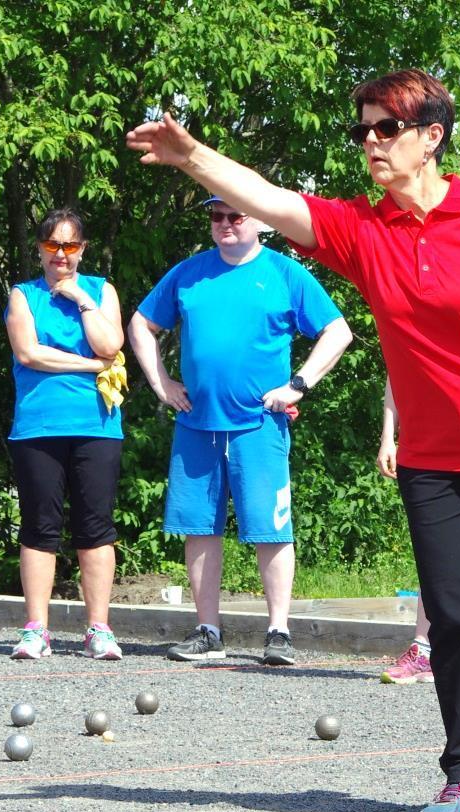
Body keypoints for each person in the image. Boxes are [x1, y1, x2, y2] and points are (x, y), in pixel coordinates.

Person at [127, 67, 460, 812]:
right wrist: (189, 155)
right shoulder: (362, 231)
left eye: (386, 129)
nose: (370, 143)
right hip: (435, 458)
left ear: (430, 137)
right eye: (362, 130)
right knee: (453, 612)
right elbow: (270, 200)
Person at [127, 196, 352, 666]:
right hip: (197, 423)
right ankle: (208, 631)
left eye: (235, 215)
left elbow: (338, 331)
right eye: (216, 216)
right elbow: (141, 324)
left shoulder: (286, 274)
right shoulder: (189, 272)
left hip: (258, 425)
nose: (225, 224)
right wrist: (160, 381)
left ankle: (278, 633)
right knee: (198, 528)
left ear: (260, 222)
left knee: (271, 528)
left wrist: (298, 385)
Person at [5, 208, 126, 662]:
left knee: (95, 527)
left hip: (97, 426)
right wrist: (90, 366)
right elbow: (30, 353)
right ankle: (36, 630)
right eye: (53, 245)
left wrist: (81, 299)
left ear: (82, 250)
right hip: (37, 426)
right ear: (39, 248)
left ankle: (99, 629)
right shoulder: (23, 295)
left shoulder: (100, 290)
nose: (61, 254)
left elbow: (110, 345)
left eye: (70, 245)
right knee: (40, 526)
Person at [378, 380, 460, 687]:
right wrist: (389, 435)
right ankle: (424, 649)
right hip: (433, 450)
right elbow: (395, 373)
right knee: (435, 555)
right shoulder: (411, 330)